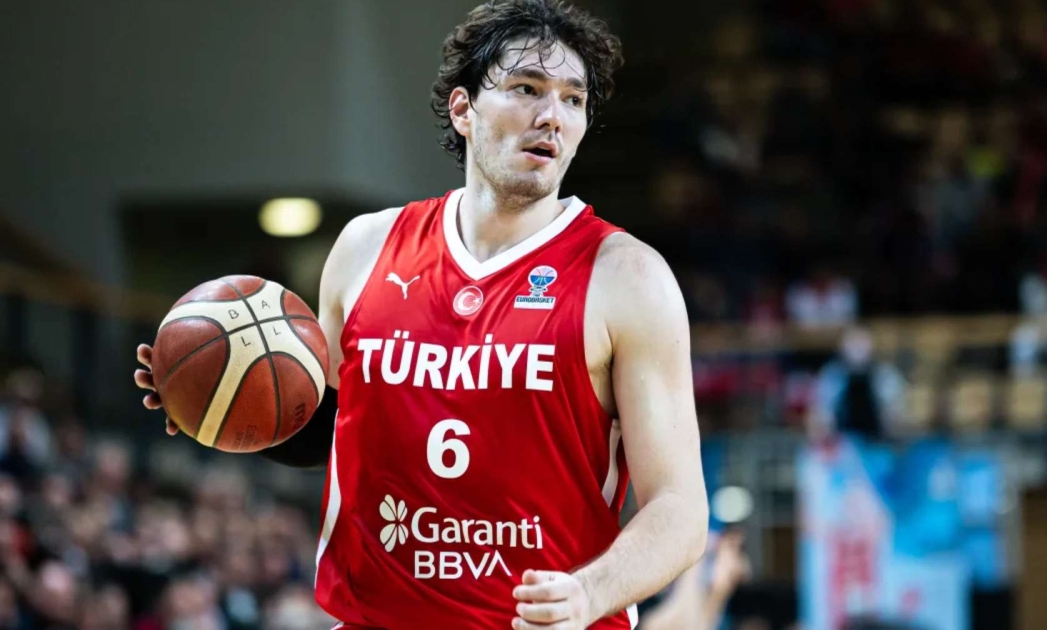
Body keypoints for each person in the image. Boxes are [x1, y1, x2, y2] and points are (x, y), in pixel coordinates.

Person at [133, 1, 709, 628]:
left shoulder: (627, 277)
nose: (552, 115)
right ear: (463, 109)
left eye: (573, 99)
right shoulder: (365, 248)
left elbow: (679, 509)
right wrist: (213, 398)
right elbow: (323, 426)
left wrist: (590, 593)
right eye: (526, 88)